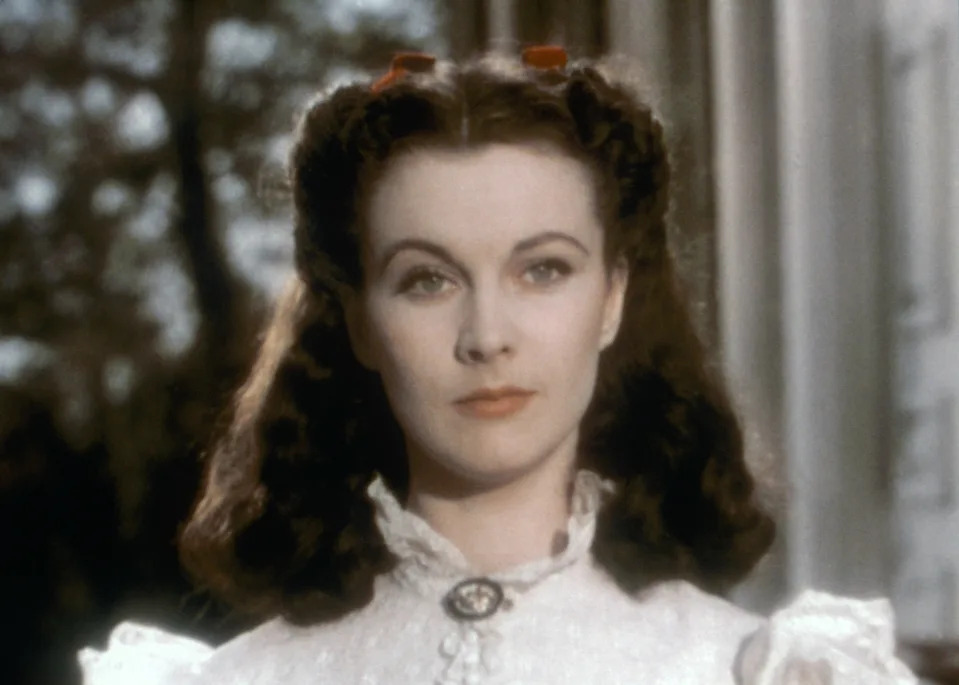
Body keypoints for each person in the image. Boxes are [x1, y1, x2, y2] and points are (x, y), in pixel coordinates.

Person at [79, 47, 917, 684]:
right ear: (361, 322)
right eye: (427, 280)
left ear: (613, 297)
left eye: (542, 268)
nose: (487, 335)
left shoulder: (745, 667)